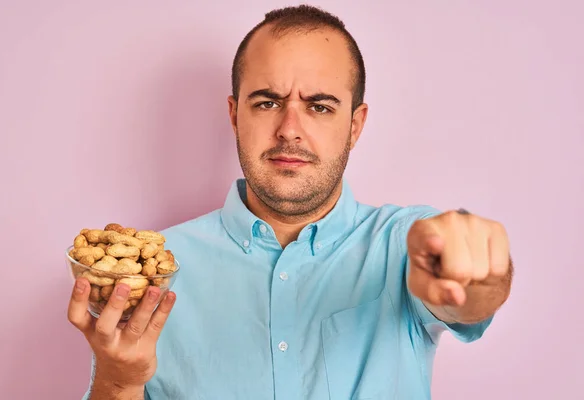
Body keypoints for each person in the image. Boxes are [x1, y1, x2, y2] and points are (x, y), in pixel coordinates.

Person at [68, 5, 513, 400]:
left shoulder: (401, 246)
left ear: (355, 126)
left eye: (320, 107)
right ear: (234, 114)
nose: (290, 129)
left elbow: (469, 296)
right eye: (267, 102)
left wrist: (476, 274)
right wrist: (120, 381)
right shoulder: (154, 273)